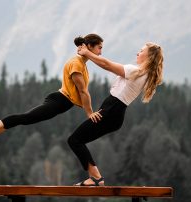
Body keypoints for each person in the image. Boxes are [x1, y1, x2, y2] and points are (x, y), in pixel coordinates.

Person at [0, 34, 104, 147]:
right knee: (26, 118)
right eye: (99, 48)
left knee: (26, 119)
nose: (100, 52)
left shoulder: (81, 64)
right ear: (90, 46)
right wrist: (89, 113)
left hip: (61, 103)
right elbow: (83, 91)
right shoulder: (77, 64)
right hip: (59, 101)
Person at [68, 42, 164, 186]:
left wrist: (87, 53)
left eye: (141, 50)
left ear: (149, 56)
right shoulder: (143, 74)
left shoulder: (135, 71)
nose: (138, 53)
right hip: (114, 113)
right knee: (77, 140)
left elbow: (106, 64)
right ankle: (95, 178)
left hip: (111, 111)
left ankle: (96, 178)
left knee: (74, 140)